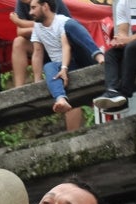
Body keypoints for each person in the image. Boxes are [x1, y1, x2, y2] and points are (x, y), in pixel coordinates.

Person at [29, 0, 105, 130]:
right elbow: (37, 52)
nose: (30, 12)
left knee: (71, 25)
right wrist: (37, 80)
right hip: (61, 66)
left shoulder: (62, 21)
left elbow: (66, 47)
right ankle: (61, 99)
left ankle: (99, 56)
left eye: (33, 8)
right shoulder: (37, 27)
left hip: (79, 60)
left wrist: (64, 68)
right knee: (48, 66)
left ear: (45, 6)